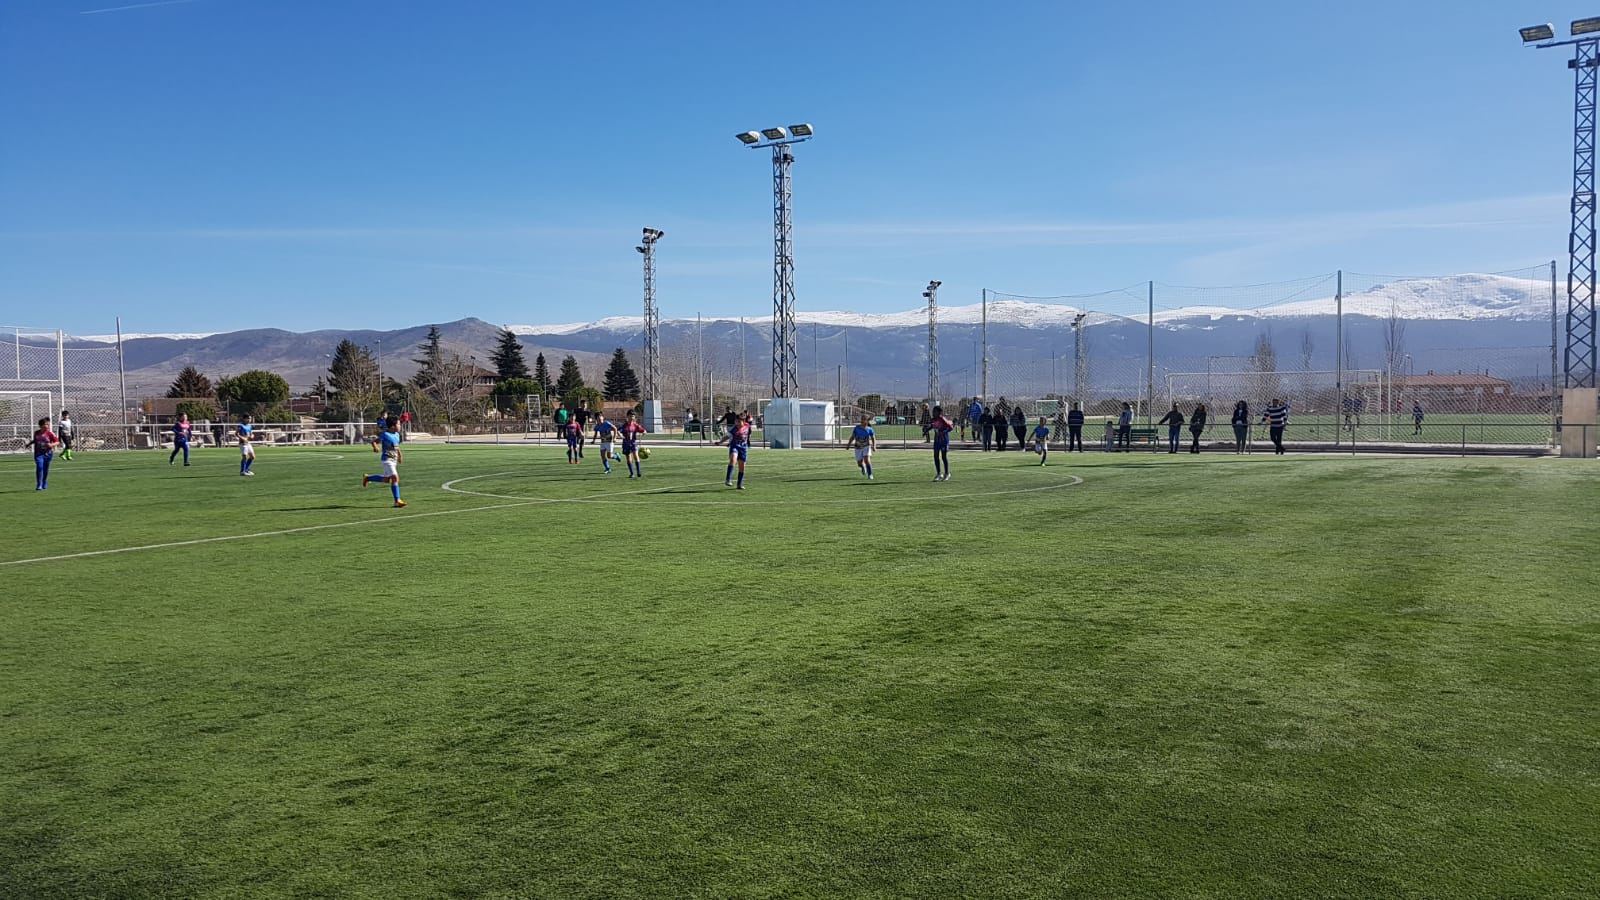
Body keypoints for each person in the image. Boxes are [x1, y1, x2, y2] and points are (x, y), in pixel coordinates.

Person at [360, 417, 406, 508]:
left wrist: (400, 455)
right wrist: (375, 447)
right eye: (398, 424)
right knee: (395, 477)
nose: (400, 426)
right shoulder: (385, 434)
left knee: (387, 480)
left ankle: (368, 478)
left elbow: (396, 447)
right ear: (393, 426)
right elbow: (374, 442)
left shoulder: (397, 435)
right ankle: (397, 501)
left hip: (394, 460)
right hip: (387, 460)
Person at [723, 411, 752, 490]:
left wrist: (748, 442)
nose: (737, 423)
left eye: (738, 421)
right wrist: (720, 442)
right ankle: (728, 479)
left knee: (742, 467)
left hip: (743, 448)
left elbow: (748, 434)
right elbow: (727, 436)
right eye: (736, 421)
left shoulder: (747, 426)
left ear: (743, 421)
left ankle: (739, 484)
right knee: (733, 460)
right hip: (734, 446)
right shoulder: (734, 429)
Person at [31, 417, 59, 491]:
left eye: (48, 424)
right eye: (46, 424)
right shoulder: (36, 433)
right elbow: (36, 440)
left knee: (45, 469)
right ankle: (39, 484)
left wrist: (51, 445)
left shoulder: (50, 433)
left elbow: (57, 441)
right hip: (38, 454)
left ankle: (44, 481)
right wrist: (30, 443)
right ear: (41, 425)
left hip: (48, 454)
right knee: (39, 467)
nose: (48, 426)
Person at [928, 405, 954, 481]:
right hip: (937, 441)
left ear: (939, 412)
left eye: (935, 411)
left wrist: (943, 432)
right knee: (935, 456)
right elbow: (932, 426)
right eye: (933, 411)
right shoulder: (933, 419)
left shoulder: (942, 419)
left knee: (943, 457)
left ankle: (947, 473)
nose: (933, 413)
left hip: (944, 441)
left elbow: (950, 427)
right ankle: (939, 474)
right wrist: (926, 430)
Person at [849, 413, 876, 480]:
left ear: (867, 421)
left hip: (866, 446)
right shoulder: (857, 428)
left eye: (864, 419)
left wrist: (874, 446)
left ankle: (870, 474)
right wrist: (848, 444)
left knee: (867, 460)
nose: (862, 420)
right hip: (858, 447)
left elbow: (873, 438)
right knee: (859, 463)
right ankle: (862, 466)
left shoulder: (869, 429)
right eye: (862, 419)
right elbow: (852, 437)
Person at [621, 410, 647, 478]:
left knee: (636, 456)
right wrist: (619, 435)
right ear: (627, 416)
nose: (631, 417)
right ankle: (632, 473)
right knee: (628, 458)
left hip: (633, 443)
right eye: (630, 416)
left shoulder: (635, 425)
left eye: (633, 416)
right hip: (626, 444)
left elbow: (643, 430)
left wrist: (644, 432)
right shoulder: (624, 425)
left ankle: (638, 472)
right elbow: (619, 431)